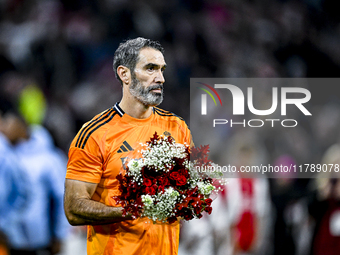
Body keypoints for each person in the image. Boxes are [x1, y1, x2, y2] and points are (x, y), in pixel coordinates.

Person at [64, 37, 192, 255]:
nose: (160, 78)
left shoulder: (177, 127)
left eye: (162, 70)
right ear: (125, 74)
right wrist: (132, 210)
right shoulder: (94, 133)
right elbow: (74, 209)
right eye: (150, 68)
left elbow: (186, 194)